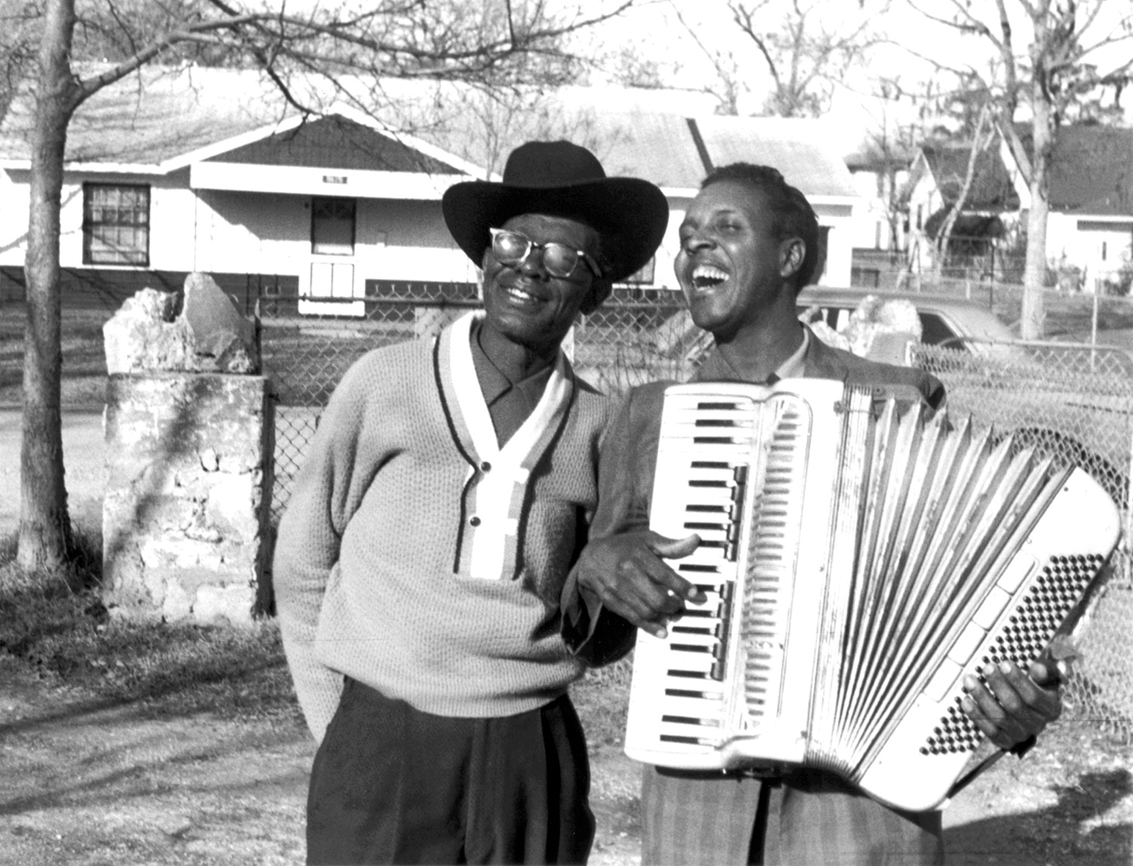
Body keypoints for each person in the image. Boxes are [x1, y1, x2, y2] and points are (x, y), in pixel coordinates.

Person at [563, 163, 1063, 865]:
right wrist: (596, 565)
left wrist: (1015, 704)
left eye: (725, 229)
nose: (694, 248)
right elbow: (596, 628)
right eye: (688, 236)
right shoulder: (651, 416)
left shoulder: (900, 403)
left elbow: (969, 589)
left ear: (790, 258)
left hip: (861, 810)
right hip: (698, 810)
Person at [273, 139, 669, 865]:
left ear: (596, 289)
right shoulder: (383, 383)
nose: (528, 265)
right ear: (485, 256)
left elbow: (600, 625)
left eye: (561, 256)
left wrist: (612, 576)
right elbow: (302, 562)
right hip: (380, 734)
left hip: (528, 743)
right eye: (513, 241)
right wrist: (340, 725)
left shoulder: (601, 425)